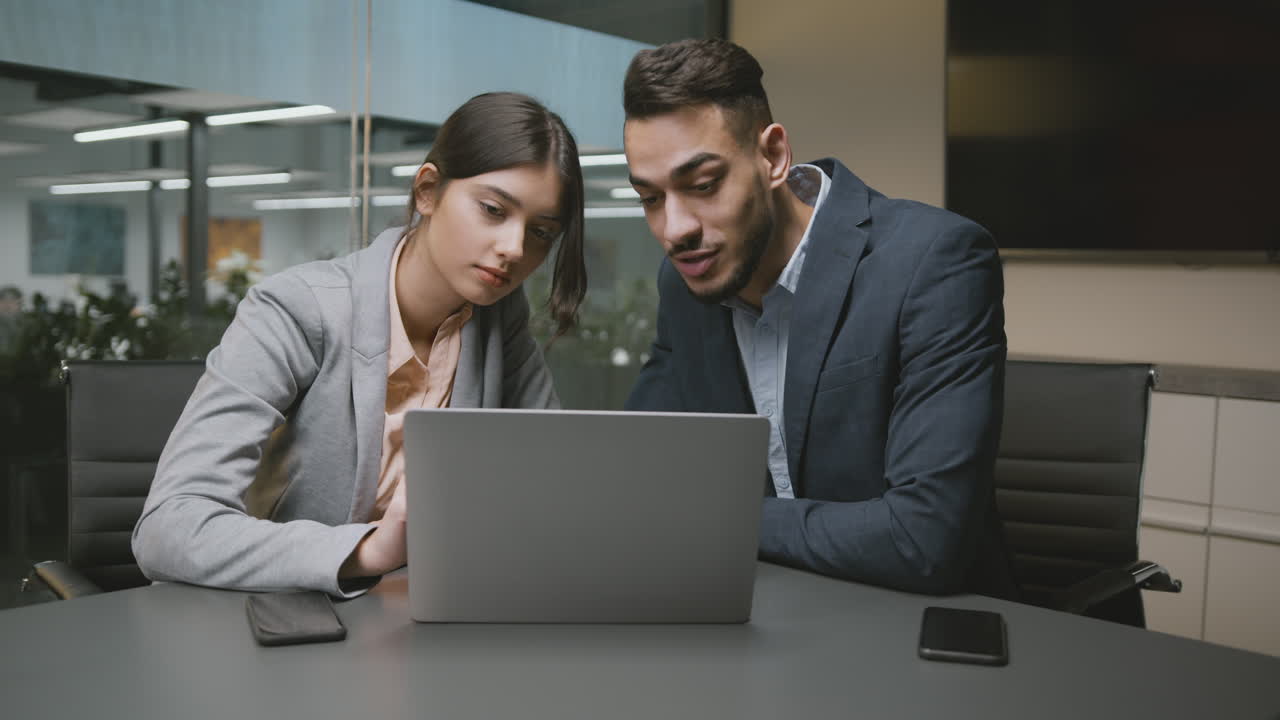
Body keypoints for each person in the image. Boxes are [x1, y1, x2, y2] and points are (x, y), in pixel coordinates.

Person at [133, 92, 587, 596]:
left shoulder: (500, 319)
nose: (515, 248)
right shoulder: (295, 309)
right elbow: (166, 528)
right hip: (279, 625)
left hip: (422, 621)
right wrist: (370, 550)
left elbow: (554, 493)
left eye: (542, 232)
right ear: (428, 191)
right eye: (493, 210)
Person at [621, 39, 1016, 598]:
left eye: (703, 185)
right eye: (650, 198)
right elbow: (634, 475)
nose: (674, 229)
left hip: (917, 633)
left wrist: (716, 516)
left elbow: (924, 538)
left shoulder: (933, 261)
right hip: (762, 616)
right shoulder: (685, 283)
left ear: (774, 156)